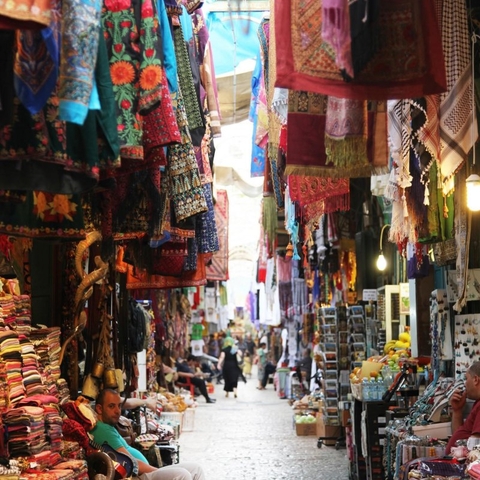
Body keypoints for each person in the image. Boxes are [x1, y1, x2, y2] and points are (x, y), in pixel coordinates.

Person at [91, 389, 206, 480]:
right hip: (137, 476)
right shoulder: (102, 430)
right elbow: (130, 463)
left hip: (144, 473)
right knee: (182, 475)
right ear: (99, 409)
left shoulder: (107, 425)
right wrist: (158, 472)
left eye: (119, 406)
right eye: (111, 406)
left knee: (196, 469)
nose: (117, 411)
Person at [446, 362, 480, 453]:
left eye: (466, 378)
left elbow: (475, 447)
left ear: (476, 380)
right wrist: (457, 410)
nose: (465, 384)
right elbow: (460, 436)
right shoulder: (477, 402)